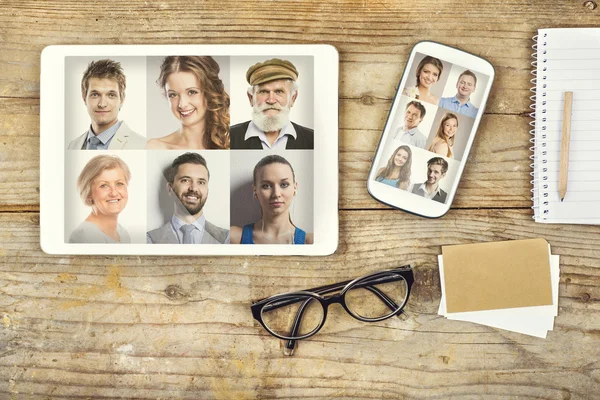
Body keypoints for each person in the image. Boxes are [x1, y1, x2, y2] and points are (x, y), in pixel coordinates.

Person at [146, 56, 230, 150]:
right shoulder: (154, 147)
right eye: (173, 95)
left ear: (209, 93)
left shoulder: (231, 144)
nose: (182, 104)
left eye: (192, 92)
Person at [230, 58, 314, 149]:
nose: (271, 100)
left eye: (279, 92)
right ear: (251, 98)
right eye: (263, 92)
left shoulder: (312, 138)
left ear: (293, 98)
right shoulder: (229, 137)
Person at [147, 152, 229, 244]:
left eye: (201, 182)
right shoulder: (150, 240)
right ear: (170, 189)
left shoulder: (226, 239)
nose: (193, 188)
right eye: (185, 180)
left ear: (207, 190)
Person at [230, 155, 313, 244]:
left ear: (295, 188)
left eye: (284, 184)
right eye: (266, 186)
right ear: (255, 190)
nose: (276, 194)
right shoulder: (234, 237)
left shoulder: (311, 241)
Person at [68, 59, 146, 150]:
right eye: (95, 95)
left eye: (111, 95)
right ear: (84, 98)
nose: (102, 104)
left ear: (122, 99)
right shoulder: (73, 145)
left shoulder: (141, 145)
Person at [69, 155, 132, 243]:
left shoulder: (122, 233)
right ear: (89, 193)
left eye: (119, 184)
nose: (114, 193)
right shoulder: (85, 236)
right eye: (104, 186)